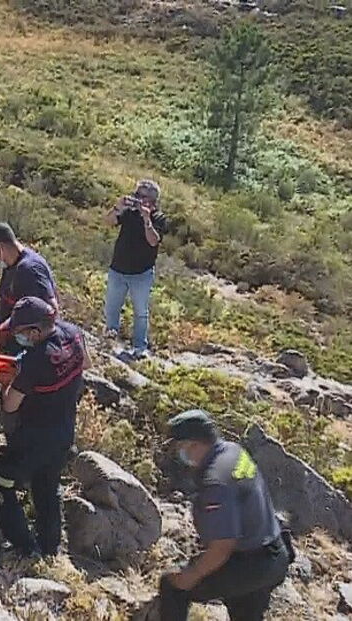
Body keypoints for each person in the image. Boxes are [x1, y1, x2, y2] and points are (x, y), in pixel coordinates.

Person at [158, 409, 291, 621]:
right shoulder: (233, 450)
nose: (178, 454)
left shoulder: (216, 481)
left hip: (250, 562)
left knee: (172, 587)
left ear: (194, 444)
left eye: (179, 447)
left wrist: (190, 576)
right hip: (275, 552)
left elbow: (222, 547)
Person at [0, 297, 90, 557]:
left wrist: (6, 385)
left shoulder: (36, 361)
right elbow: (86, 364)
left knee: (2, 483)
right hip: (64, 431)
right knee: (47, 488)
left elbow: (11, 406)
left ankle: (24, 546)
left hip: (33, 438)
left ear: (35, 331)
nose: (17, 336)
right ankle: (49, 549)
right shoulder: (73, 333)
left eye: (20, 332)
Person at [103, 179, 169, 359]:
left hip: (141, 273)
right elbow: (108, 222)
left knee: (140, 312)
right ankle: (110, 340)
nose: (137, 199)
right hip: (118, 268)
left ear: (152, 201)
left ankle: (140, 346)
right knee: (112, 307)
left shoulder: (159, 218)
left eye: (141, 196)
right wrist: (118, 207)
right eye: (136, 195)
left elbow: (153, 241)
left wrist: (147, 218)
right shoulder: (129, 213)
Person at [0, 220, 59, 333]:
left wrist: (10, 325)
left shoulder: (30, 269)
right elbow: (6, 302)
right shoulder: (10, 267)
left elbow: (51, 311)